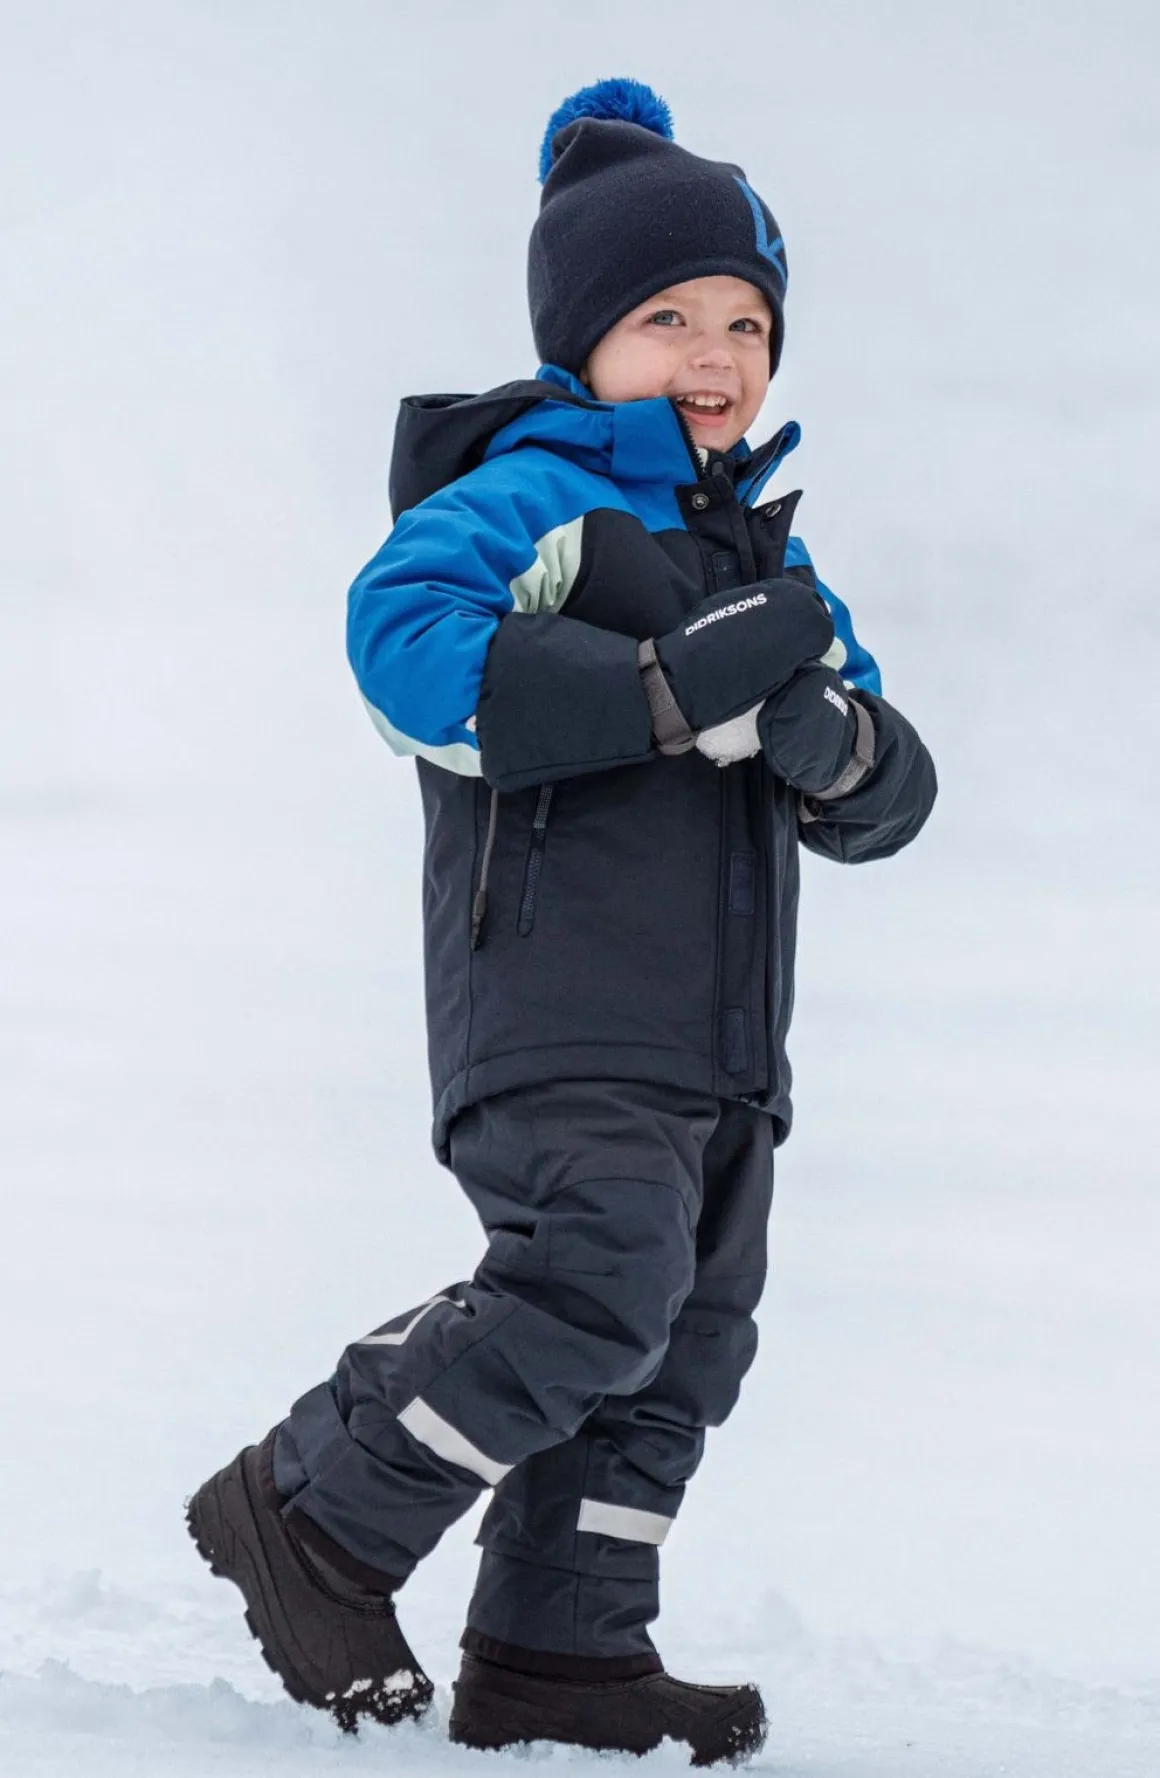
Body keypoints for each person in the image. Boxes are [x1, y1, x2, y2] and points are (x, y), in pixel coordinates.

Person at [186, 78, 937, 1765]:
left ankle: (561, 1642)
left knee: (686, 1335)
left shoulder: (774, 569)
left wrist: (836, 744)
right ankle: (313, 1508)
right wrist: (662, 689)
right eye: (667, 317)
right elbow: (402, 645)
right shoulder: (528, 498)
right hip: (556, 1005)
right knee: (594, 1282)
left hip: (725, 1048)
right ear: (583, 337)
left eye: (746, 323)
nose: (714, 355)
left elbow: (889, 787)